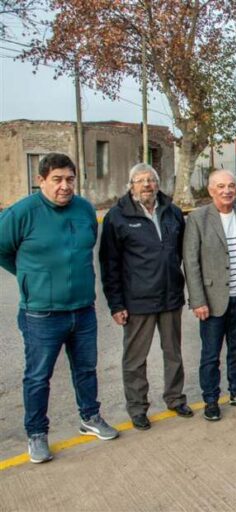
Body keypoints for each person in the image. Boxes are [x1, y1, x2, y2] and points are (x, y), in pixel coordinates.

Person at [0, 153, 118, 464]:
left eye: (69, 179)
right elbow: (2, 249)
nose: (64, 186)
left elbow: (88, 245)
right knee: (38, 376)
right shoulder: (22, 213)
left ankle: (90, 417)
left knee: (86, 369)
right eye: (57, 179)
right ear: (41, 180)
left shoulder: (84, 209)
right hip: (41, 314)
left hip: (83, 310)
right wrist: (29, 276)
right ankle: (37, 433)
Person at [99, 163, 192, 431]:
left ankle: (175, 398)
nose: (146, 185)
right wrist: (116, 303)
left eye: (151, 180)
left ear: (157, 184)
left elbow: (181, 253)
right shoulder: (117, 217)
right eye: (140, 181)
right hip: (137, 301)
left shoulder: (172, 212)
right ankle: (138, 408)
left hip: (170, 297)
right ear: (131, 186)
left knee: (173, 353)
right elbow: (109, 264)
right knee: (135, 359)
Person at [183, 170, 236, 421]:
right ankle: (211, 400)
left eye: (231, 186)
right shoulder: (198, 219)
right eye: (220, 186)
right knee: (210, 355)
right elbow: (191, 262)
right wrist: (198, 300)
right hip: (212, 301)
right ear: (211, 190)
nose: (227, 190)